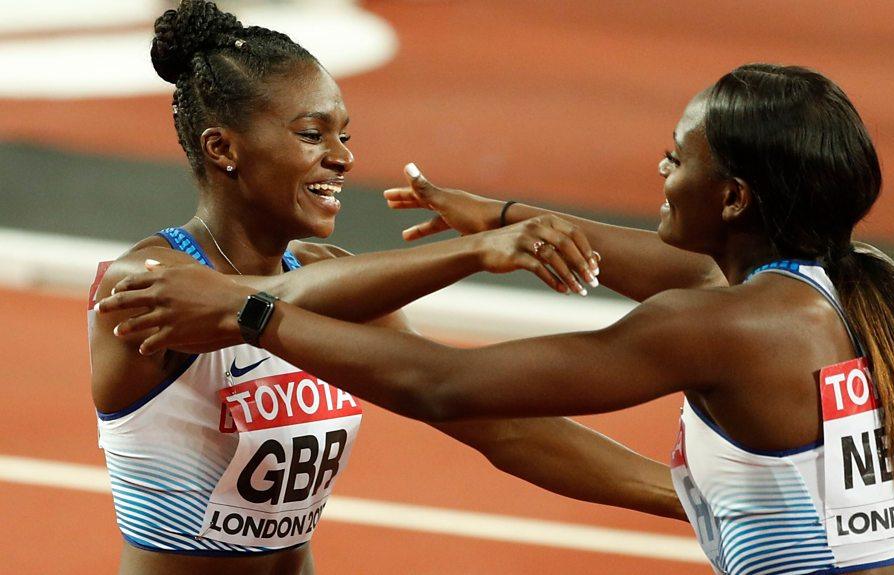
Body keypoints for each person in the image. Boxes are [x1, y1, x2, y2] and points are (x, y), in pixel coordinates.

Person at [101, 63, 894, 574]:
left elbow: (448, 387)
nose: (659, 165)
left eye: (678, 154)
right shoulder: (860, 285)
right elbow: (678, 266)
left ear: (732, 196)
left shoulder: (720, 325)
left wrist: (249, 312)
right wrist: (502, 216)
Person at [88, 2, 707, 573]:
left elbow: (492, 421)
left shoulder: (327, 274)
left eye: (344, 135)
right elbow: (242, 306)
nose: (343, 158)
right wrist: (475, 250)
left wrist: (697, 501)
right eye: (312, 135)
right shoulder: (143, 285)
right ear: (222, 147)